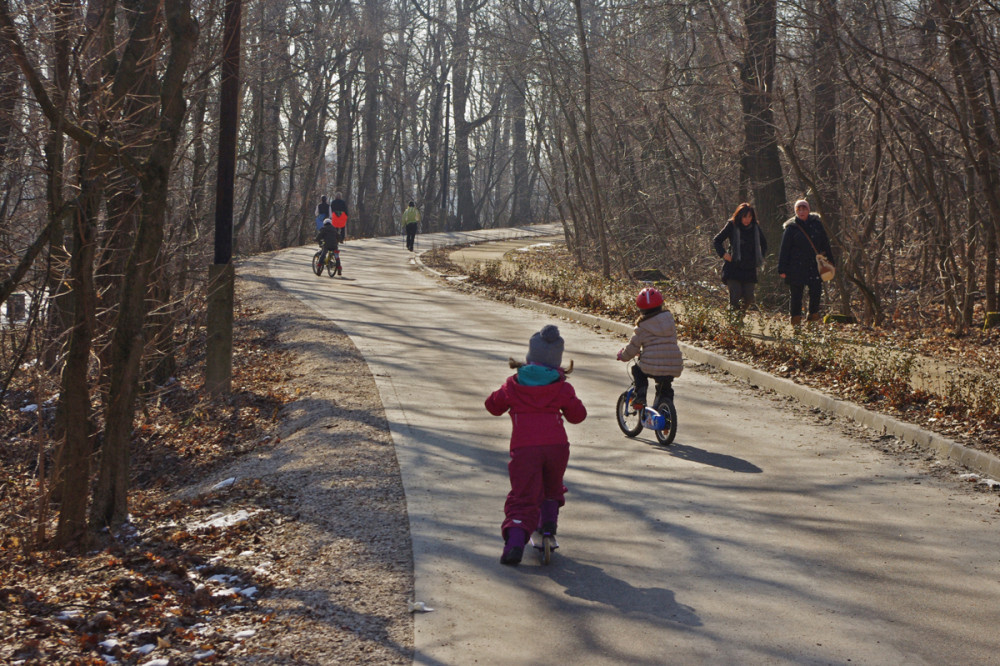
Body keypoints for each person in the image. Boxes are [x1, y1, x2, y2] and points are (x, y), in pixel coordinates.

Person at [485, 325, 587, 566]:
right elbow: (578, 416)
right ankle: (548, 524)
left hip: (524, 449)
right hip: (557, 447)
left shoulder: (513, 384)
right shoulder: (561, 386)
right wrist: (569, 401)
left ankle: (515, 544)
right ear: (557, 362)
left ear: (530, 357)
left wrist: (506, 397)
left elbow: (492, 406)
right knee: (552, 486)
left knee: (523, 496)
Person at [616, 287, 683, 410]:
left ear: (641, 309)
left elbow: (633, 347)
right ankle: (667, 415)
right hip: (674, 364)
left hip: (651, 365)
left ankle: (640, 397)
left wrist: (623, 356)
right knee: (665, 388)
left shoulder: (642, 327)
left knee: (637, 370)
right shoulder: (669, 321)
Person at [778, 199, 834, 325]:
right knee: (796, 295)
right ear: (795, 211)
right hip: (795, 267)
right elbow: (784, 249)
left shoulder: (817, 225)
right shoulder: (791, 228)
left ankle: (812, 319)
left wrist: (830, 262)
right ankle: (795, 321)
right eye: (799, 209)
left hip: (814, 266)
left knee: (816, 292)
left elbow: (825, 244)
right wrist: (782, 268)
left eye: (804, 209)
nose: (802, 211)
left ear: (809, 210)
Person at [713, 202, 767, 311]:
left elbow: (764, 243)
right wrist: (724, 254)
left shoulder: (755, 227)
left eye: (750, 217)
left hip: (749, 268)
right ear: (739, 216)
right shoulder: (732, 225)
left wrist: (759, 257)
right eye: (744, 217)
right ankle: (733, 322)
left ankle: (739, 319)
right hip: (733, 267)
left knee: (748, 298)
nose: (747, 219)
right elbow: (717, 240)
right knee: (735, 296)